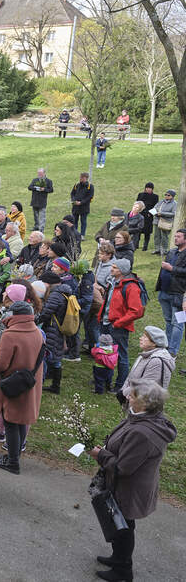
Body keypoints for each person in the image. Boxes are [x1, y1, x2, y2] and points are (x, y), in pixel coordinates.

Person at [89, 379, 176, 582]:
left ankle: (123, 570)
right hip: (126, 485)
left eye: (133, 395)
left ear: (146, 403)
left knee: (124, 526)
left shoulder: (142, 432)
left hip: (129, 489)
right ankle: (118, 558)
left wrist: (100, 455)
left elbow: (123, 468)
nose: (128, 396)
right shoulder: (141, 418)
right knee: (119, 523)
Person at [0, 297, 45, 475]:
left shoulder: (10, 335)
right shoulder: (37, 332)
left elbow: (1, 364)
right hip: (29, 385)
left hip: (11, 385)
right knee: (21, 421)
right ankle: (15, 456)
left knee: (11, 422)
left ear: (14, 315)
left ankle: (12, 462)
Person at [98, 259, 145, 393]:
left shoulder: (131, 286)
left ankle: (120, 385)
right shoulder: (113, 282)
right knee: (105, 353)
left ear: (122, 271)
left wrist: (119, 323)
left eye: (115, 267)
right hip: (106, 322)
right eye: (112, 266)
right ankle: (104, 380)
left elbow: (136, 311)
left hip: (118, 326)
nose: (111, 269)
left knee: (121, 356)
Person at [157, 229, 186, 355]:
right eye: (175, 236)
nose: (175, 238)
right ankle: (167, 346)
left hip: (179, 295)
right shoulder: (172, 251)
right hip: (164, 292)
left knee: (178, 323)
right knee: (168, 321)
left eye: (179, 236)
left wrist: (171, 268)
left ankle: (173, 351)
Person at [27, 169, 53, 233]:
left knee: (42, 216)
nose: (39, 174)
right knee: (35, 216)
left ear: (44, 173)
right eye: (38, 173)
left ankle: (41, 229)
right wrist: (36, 188)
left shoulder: (48, 181)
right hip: (34, 201)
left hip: (42, 201)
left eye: (40, 173)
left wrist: (44, 189)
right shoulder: (35, 180)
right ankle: (36, 227)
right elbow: (29, 187)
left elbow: (51, 190)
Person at [70, 172, 94, 238]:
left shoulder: (90, 186)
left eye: (82, 177)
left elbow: (90, 197)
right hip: (75, 207)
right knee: (74, 221)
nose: (80, 179)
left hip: (84, 207)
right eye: (80, 177)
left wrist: (81, 202)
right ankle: (74, 234)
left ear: (86, 178)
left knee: (83, 221)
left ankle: (82, 235)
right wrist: (74, 200)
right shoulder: (76, 185)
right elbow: (72, 193)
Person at [135, 183, 159, 251]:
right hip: (140, 214)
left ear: (152, 189)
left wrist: (151, 214)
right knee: (138, 230)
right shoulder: (141, 195)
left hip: (148, 216)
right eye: (147, 188)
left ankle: (145, 246)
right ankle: (136, 244)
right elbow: (137, 203)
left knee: (147, 232)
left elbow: (156, 206)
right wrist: (136, 211)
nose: (148, 189)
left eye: (150, 188)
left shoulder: (155, 196)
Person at [152, 190, 176, 256]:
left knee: (164, 237)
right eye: (165, 194)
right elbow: (154, 208)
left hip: (166, 222)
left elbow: (174, 214)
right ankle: (157, 249)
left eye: (168, 195)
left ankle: (164, 250)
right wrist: (155, 213)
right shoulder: (161, 202)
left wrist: (162, 213)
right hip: (157, 221)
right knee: (156, 236)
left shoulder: (174, 204)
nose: (166, 196)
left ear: (172, 196)